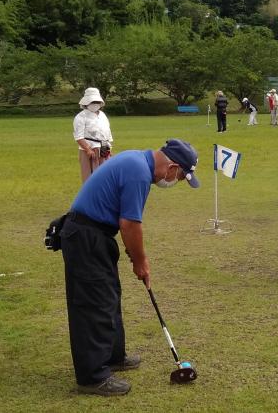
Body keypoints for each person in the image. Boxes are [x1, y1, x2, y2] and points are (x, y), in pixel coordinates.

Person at [60, 139, 200, 396]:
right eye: (180, 177)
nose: (175, 182)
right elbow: (130, 224)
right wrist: (140, 262)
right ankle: (92, 377)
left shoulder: (138, 161)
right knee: (94, 304)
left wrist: (136, 258)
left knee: (109, 296)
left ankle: (113, 356)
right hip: (86, 237)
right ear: (172, 166)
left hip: (97, 235)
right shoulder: (138, 172)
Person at [73, 87, 113, 183]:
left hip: (104, 148)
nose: (95, 104)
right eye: (92, 102)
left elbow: (107, 132)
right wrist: (88, 149)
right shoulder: (81, 117)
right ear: (86, 102)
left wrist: (109, 149)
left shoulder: (102, 115)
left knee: (105, 174)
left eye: (97, 102)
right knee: (90, 175)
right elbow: (79, 137)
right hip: (91, 149)